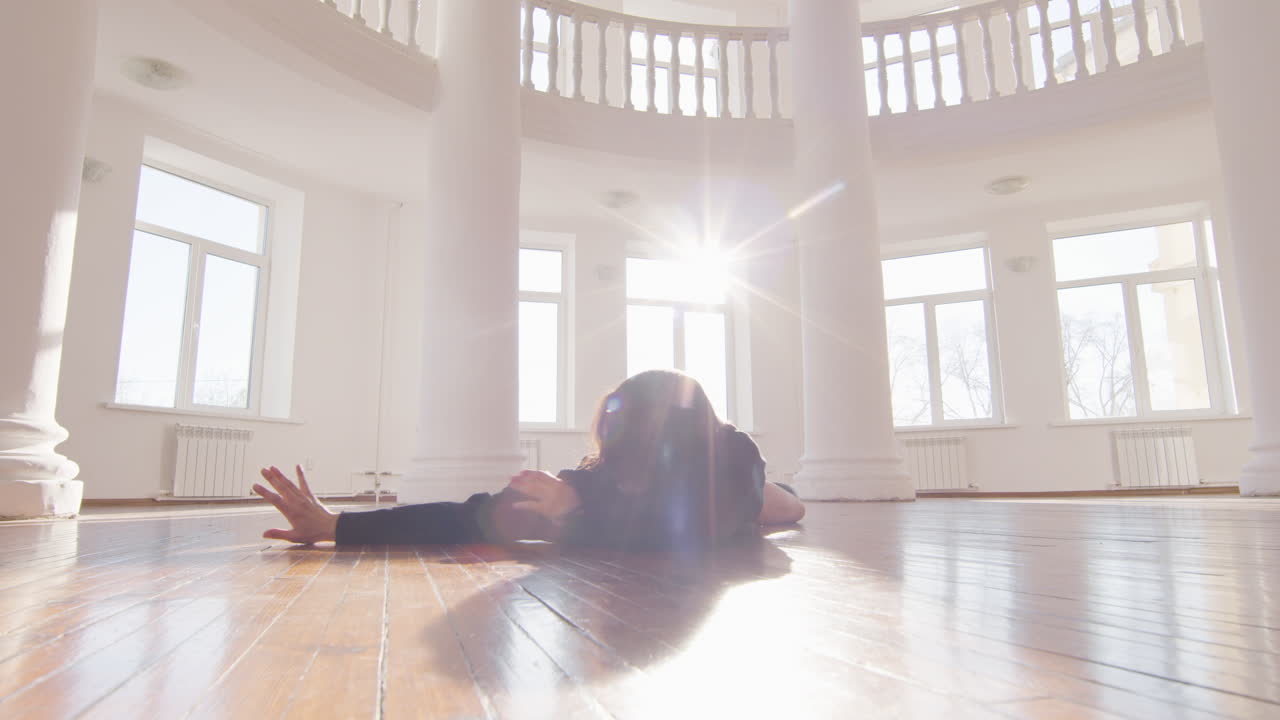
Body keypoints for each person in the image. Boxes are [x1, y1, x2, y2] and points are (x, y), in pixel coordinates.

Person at [253, 369, 805, 548]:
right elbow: (467, 515)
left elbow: (704, 525)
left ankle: (788, 492)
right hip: (634, 497)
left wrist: (577, 515)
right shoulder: (589, 482)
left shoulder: (733, 453)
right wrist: (335, 525)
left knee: (787, 509)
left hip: (747, 496)